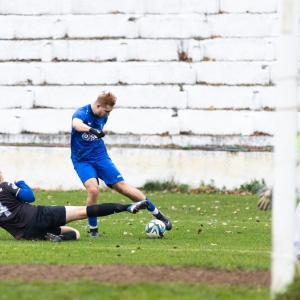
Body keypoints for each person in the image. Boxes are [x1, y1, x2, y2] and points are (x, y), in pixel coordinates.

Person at [70, 91, 172, 237]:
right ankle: (93, 230)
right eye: (106, 111)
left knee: (124, 189)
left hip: (100, 157)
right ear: (98, 105)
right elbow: (76, 125)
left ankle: (158, 215)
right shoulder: (82, 113)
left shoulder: (102, 115)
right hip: (81, 160)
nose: (108, 115)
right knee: (93, 190)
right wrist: (92, 130)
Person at [0, 171, 149, 242]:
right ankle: (127, 207)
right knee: (86, 211)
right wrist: (21, 182)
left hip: (26, 234)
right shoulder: (5, 186)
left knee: (75, 233)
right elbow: (30, 197)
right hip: (39, 215)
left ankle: (59, 238)